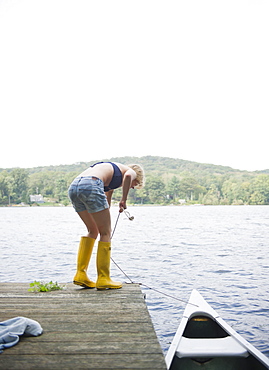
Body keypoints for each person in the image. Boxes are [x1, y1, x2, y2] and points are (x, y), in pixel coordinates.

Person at [68, 161, 145, 290]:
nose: (132, 187)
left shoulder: (112, 177)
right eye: (135, 184)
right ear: (136, 176)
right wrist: (123, 200)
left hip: (75, 187)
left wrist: (105, 213)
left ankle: (80, 275)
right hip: (92, 185)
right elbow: (127, 177)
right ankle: (103, 278)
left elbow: (106, 200)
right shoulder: (130, 171)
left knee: (93, 230)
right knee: (106, 233)